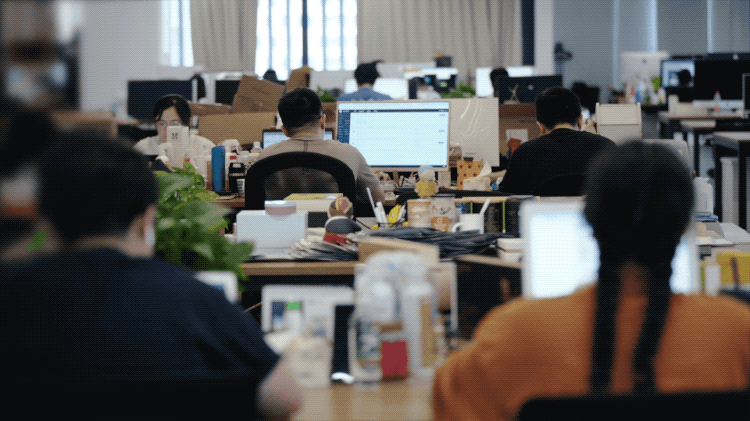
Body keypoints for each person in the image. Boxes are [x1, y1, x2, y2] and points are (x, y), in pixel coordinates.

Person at [433, 141, 750, 421]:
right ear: (684, 228)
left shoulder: (513, 334)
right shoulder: (737, 332)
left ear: (588, 222)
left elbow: (445, 402)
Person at [1, 133, 302, 418]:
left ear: (45, 223)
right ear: (146, 221)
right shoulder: (195, 299)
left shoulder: (12, 295)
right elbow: (286, 396)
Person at [257, 87, 385, 206]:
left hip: (281, 224)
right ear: (323, 121)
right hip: (335, 223)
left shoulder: (265, 156)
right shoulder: (350, 153)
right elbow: (378, 199)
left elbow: (253, 200)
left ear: (284, 130)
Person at [497, 86, 615, 195]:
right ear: (580, 120)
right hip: (593, 212)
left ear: (541, 126)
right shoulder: (606, 147)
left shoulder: (523, 153)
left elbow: (505, 197)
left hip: (541, 212)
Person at [133, 94, 215, 157]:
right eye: (162, 124)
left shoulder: (205, 148)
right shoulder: (143, 148)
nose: (167, 130)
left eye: (175, 124)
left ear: (189, 123)